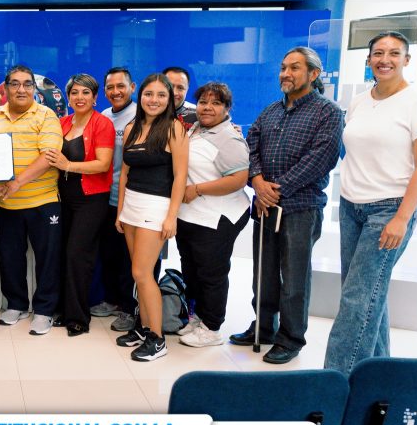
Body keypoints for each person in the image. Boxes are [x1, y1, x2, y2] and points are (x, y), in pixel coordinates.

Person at [324, 32, 417, 374]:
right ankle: (381, 376)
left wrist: (402, 218)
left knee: (357, 300)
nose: (384, 59)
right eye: (377, 53)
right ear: (368, 59)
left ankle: (337, 381)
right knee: (367, 295)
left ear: (406, 60)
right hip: (351, 207)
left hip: (389, 210)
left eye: (393, 53)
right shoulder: (360, 102)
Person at [230, 47, 343, 364]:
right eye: (283, 68)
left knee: (294, 279)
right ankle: (263, 328)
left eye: (294, 68)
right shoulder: (270, 112)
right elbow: (251, 148)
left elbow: (321, 159)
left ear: (314, 74)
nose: (285, 74)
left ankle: (291, 338)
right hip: (265, 206)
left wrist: (274, 190)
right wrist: (257, 181)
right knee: (263, 274)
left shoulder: (328, 113)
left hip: (300, 208)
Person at [115, 73, 188, 361]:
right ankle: (144, 329)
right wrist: (121, 212)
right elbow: (125, 174)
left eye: (161, 95)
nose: (154, 100)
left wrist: (172, 217)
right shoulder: (132, 127)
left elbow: (180, 176)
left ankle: (158, 340)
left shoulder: (174, 128)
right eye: (149, 94)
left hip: (155, 207)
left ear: (169, 99)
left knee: (142, 274)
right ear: (140, 95)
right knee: (138, 273)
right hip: (131, 206)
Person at [173, 82, 250, 347]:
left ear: (227, 108)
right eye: (203, 102)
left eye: (216, 103)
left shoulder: (229, 138)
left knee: (211, 274)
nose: (208, 108)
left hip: (218, 217)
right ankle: (199, 318)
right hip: (191, 215)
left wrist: (197, 189)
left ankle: (212, 327)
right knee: (191, 271)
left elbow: (239, 179)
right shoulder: (194, 127)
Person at [0, 65, 64, 336]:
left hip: (43, 201)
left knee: (47, 259)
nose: (21, 89)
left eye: (27, 84)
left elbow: (49, 156)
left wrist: (17, 182)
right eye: (15, 84)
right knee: (11, 257)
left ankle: (44, 310)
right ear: (6, 88)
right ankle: (17, 304)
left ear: (34, 88)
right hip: (6, 202)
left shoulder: (46, 115)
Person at [44, 73, 114, 336]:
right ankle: (64, 310)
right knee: (62, 253)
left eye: (86, 92)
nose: (80, 97)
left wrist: (68, 165)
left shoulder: (102, 124)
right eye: (75, 92)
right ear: (68, 97)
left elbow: (103, 164)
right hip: (63, 198)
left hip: (91, 199)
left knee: (78, 255)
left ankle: (78, 318)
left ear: (95, 98)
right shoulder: (62, 122)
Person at [89, 68, 142, 331]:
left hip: (131, 199)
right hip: (105, 197)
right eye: (110, 87)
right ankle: (111, 300)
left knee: (129, 258)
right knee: (108, 254)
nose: (115, 92)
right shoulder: (104, 117)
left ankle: (130, 309)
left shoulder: (141, 116)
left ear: (132, 87)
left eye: (121, 86)